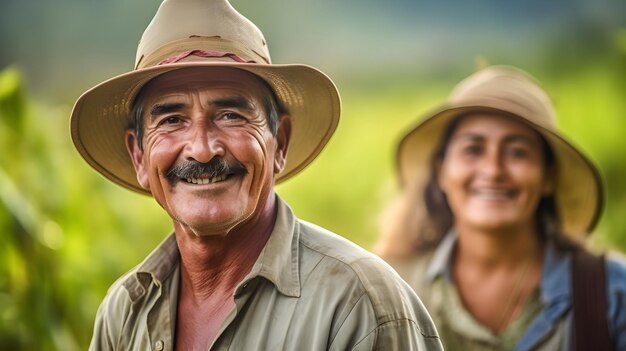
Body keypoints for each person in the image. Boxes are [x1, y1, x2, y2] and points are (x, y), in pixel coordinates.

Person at [70, 0, 442, 350]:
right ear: (139, 155)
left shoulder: (357, 303)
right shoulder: (125, 311)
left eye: (230, 115)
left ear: (279, 143)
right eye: (172, 120)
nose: (202, 149)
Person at [375, 66, 626, 350]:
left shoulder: (611, 293)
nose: (493, 171)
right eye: (473, 149)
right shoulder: (391, 288)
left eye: (517, 152)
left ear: (548, 177)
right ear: (442, 170)